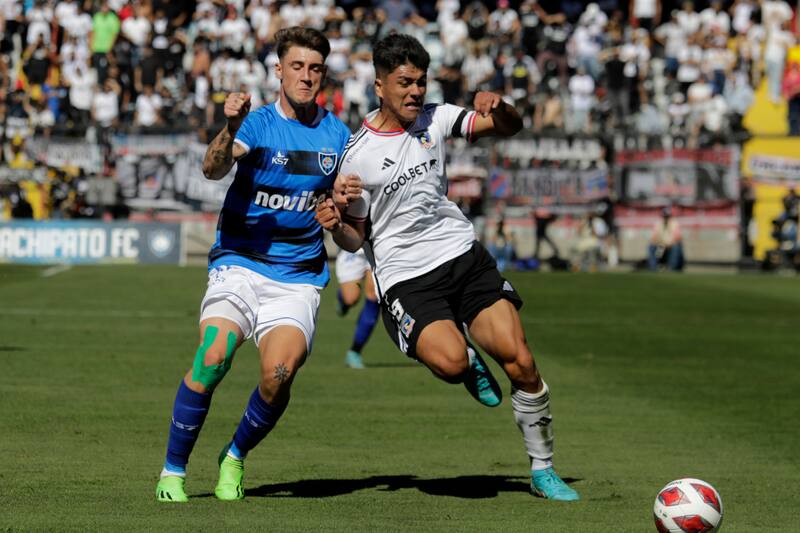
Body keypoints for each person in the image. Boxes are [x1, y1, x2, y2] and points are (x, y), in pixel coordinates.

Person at [316, 34, 579, 501]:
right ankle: (467, 361)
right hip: (406, 279)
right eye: (404, 83)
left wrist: (501, 107)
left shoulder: (436, 117)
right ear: (379, 86)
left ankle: (543, 469)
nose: (415, 92)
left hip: (461, 256)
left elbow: (509, 127)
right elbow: (356, 237)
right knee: (452, 362)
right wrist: (336, 225)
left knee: (522, 362)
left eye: (420, 82)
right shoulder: (357, 155)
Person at [154, 27, 358, 503]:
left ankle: (234, 456)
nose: (306, 76)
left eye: (315, 68)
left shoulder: (338, 137)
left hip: (298, 277)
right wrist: (229, 127)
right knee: (213, 356)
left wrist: (336, 221)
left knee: (278, 375)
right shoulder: (257, 124)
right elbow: (212, 169)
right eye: (297, 66)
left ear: (323, 74)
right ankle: (172, 471)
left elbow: (351, 234)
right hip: (240, 263)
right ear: (279, 71)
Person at [335, 248, 380, 369]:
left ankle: (355, 351)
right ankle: (343, 300)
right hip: (354, 248)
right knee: (351, 298)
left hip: (377, 248)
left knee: (374, 295)